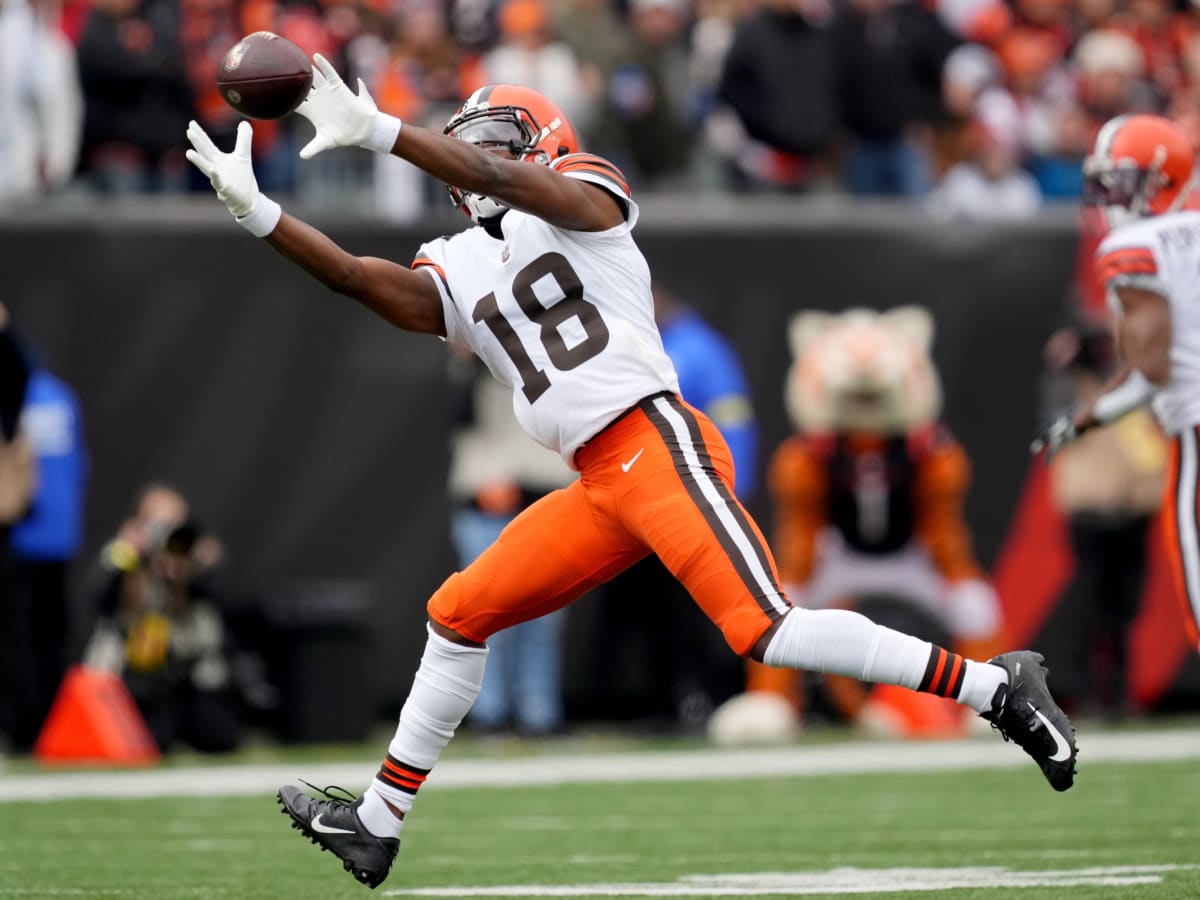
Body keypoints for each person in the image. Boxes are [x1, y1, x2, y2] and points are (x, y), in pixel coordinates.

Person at [185, 60, 1077, 889]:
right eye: (471, 142)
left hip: (655, 442)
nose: (476, 160)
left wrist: (383, 131)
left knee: (764, 630)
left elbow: (508, 181)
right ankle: (376, 822)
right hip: (597, 477)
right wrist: (260, 215)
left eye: (495, 139)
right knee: (457, 614)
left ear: (546, 142)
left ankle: (998, 687)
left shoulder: (587, 191)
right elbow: (355, 278)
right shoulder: (456, 261)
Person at [1034, 113, 1200, 659]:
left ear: (1159, 177)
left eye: (1117, 180)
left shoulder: (1135, 246)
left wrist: (1085, 419)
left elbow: (1150, 374)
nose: (1106, 195)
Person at [447, 350, 575, 736]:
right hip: (490, 496)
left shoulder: (563, 345)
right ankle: (490, 715)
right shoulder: (478, 336)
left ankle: (540, 713)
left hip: (548, 492)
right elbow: (461, 406)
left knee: (544, 617)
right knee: (488, 615)